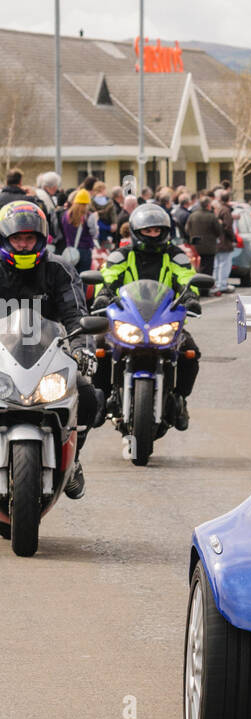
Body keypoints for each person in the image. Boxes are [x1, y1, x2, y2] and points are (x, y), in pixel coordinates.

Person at [0, 201, 101, 498]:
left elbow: (75, 315)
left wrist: (84, 349)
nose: (23, 245)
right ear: (5, 239)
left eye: (29, 239)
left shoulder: (58, 269)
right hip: (2, 359)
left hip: (48, 357)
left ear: (41, 239)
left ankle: (74, 457)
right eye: (17, 239)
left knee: (89, 396)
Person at [93, 204, 201, 431]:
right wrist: (103, 294)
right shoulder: (121, 254)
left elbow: (186, 277)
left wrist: (191, 295)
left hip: (164, 321)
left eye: (157, 231)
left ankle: (180, 399)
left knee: (190, 352)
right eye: (147, 231)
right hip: (127, 319)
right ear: (135, 231)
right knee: (99, 347)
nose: (153, 235)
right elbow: (108, 276)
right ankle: (100, 399)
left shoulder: (176, 255)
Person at [185, 195, 221, 289]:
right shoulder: (211, 216)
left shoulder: (193, 215)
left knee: (196, 268)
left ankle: (197, 288)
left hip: (195, 245)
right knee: (208, 269)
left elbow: (187, 229)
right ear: (208, 205)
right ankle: (205, 289)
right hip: (209, 247)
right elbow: (218, 231)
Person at [60, 189, 98, 272]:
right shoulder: (89, 216)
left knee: (71, 278)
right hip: (85, 252)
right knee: (83, 280)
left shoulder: (65, 215)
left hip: (70, 251)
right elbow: (94, 234)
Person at [212, 189, 235, 296]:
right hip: (224, 241)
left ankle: (217, 284)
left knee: (217, 264)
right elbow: (228, 227)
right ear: (229, 199)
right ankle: (222, 284)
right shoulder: (226, 211)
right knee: (224, 264)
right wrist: (233, 238)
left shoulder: (219, 209)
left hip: (217, 241)